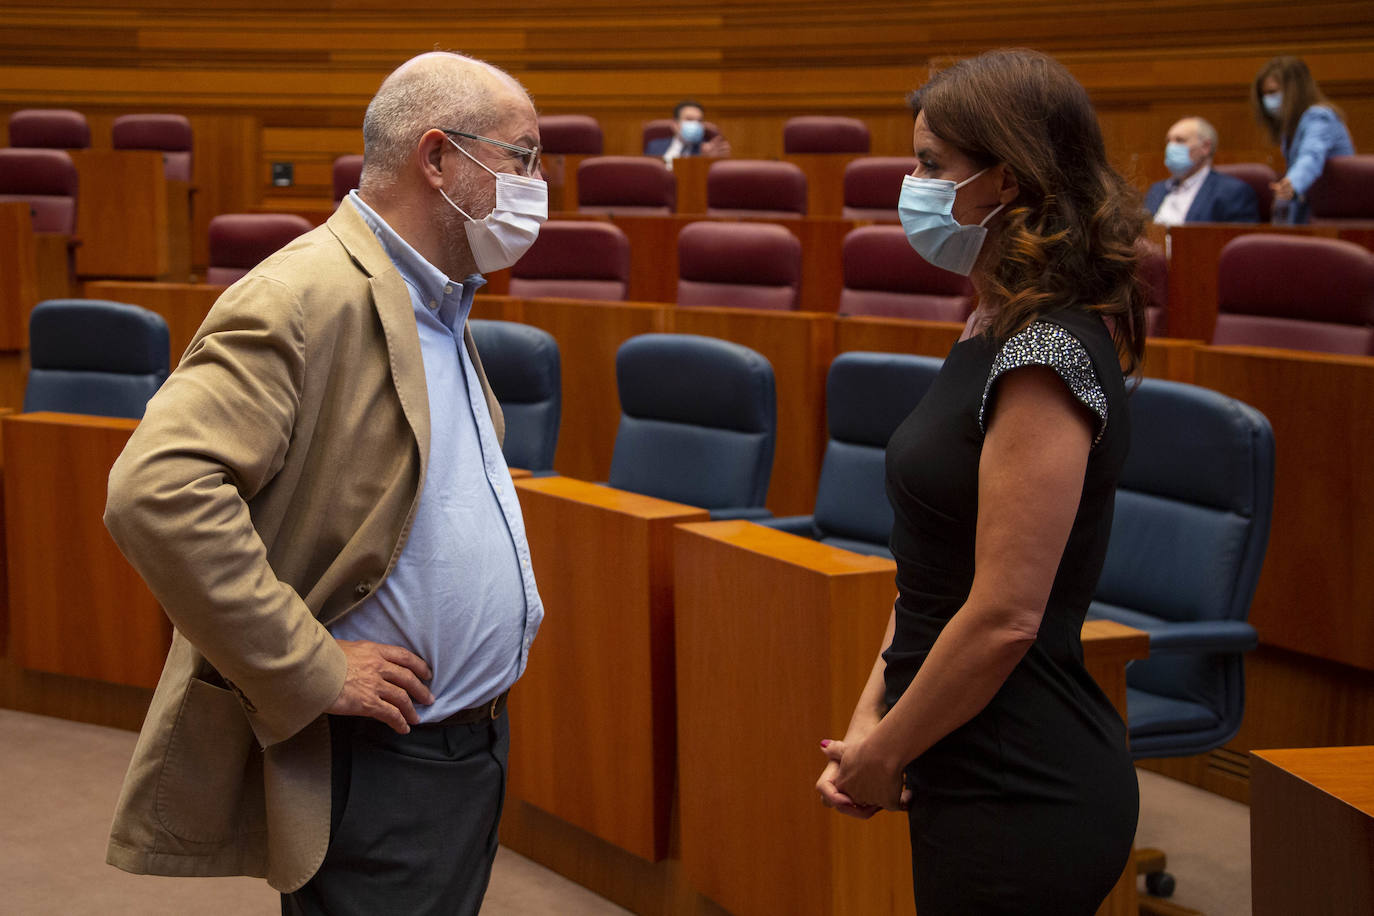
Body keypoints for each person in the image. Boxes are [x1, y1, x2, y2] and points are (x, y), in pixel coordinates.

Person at [102, 52, 547, 916]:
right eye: (521, 156)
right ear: (437, 158)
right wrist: (307, 665)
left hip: (460, 748)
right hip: (376, 765)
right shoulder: (302, 293)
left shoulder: (435, 296)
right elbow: (156, 491)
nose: (537, 185)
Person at [815, 48, 1142, 915]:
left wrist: (886, 753)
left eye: (931, 165)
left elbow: (1003, 617)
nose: (911, 184)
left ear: (1005, 180)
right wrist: (870, 722)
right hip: (956, 751)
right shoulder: (989, 324)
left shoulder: (1046, 354)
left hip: (1021, 779)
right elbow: (935, 567)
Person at [1252, 55, 1355, 223]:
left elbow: (1311, 156)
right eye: (1264, 95)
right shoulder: (1292, 128)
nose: (1267, 101)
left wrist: (1293, 182)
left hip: (1334, 215)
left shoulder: (1319, 118)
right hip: (1312, 210)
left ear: (1294, 91)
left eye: (1273, 92)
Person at [1144, 116, 1259, 224]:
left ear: (1205, 147)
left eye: (1180, 140)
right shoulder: (1157, 189)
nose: (1171, 147)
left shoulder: (1232, 192)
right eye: (1168, 141)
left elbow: (1238, 242)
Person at [644, 99, 732, 162]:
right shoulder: (654, 146)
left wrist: (707, 160)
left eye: (699, 121)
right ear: (675, 124)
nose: (695, 124)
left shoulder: (709, 150)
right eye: (689, 120)